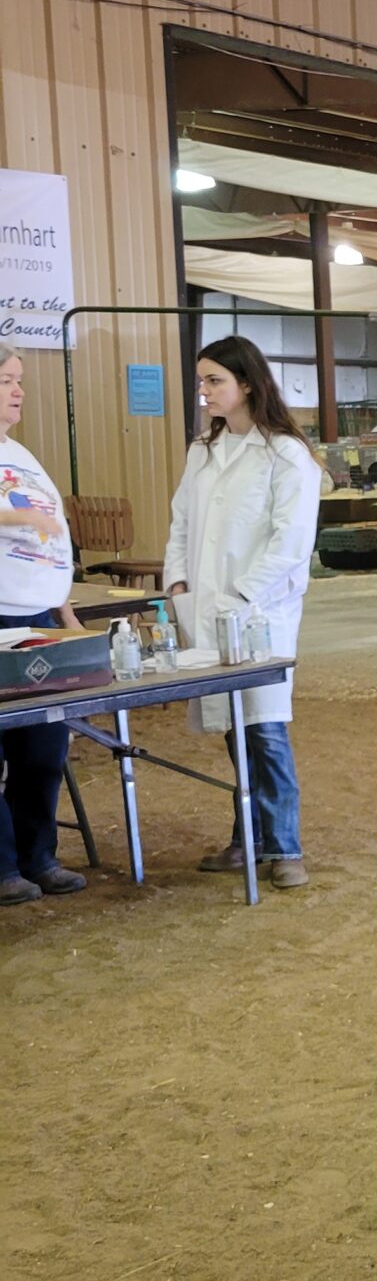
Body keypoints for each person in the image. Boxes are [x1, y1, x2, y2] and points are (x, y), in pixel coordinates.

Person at [163, 336, 323, 890]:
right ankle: (249, 837)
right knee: (234, 728)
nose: (203, 391)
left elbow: (291, 541)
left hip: (261, 615)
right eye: (201, 381)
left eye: (214, 381)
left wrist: (241, 596)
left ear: (246, 385)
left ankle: (286, 847)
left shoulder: (284, 454)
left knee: (266, 728)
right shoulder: (202, 452)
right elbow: (181, 522)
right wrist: (177, 581)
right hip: (207, 610)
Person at [0, 348, 85, 905]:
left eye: (20, 380)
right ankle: (4, 868)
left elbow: (52, 541)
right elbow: (32, 522)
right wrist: (17, 516)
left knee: (45, 743)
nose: (18, 390)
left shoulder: (21, 454)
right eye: (6, 380)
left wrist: (64, 603)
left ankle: (40, 856)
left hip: (41, 616)